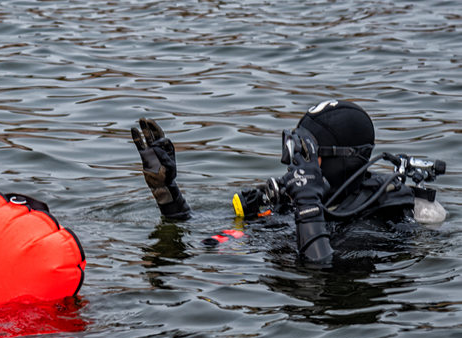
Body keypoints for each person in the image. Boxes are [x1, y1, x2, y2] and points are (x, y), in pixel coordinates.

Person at [132, 100, 446, 266]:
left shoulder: (374, 222)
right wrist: (167, 192)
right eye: (294, 150)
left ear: (339, 160)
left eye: (306, 154)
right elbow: (199, 240)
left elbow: (320, 268)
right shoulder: (296, 200)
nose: (295, 164)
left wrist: (309, 202)